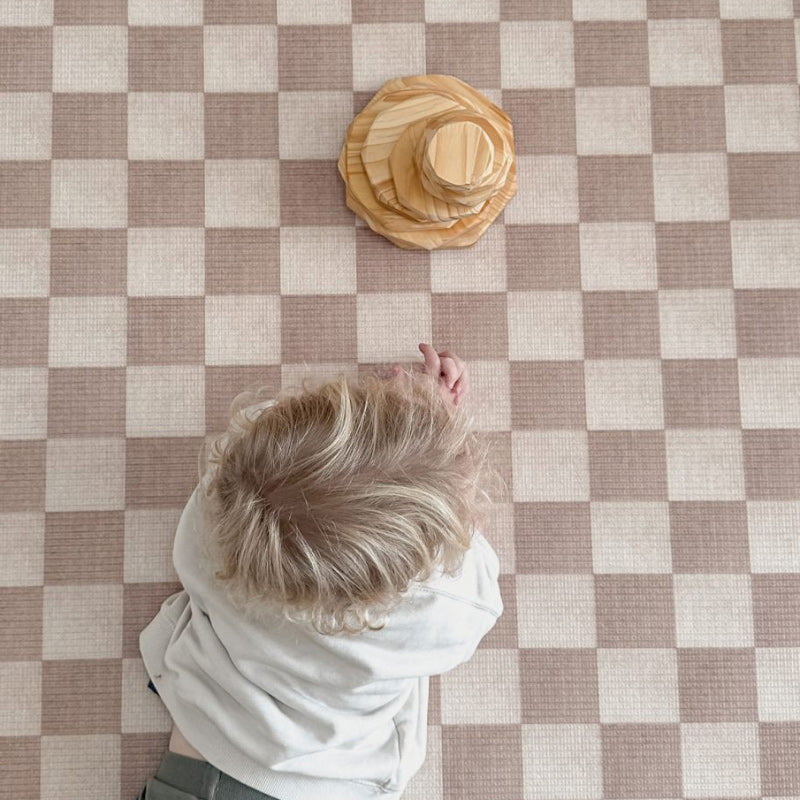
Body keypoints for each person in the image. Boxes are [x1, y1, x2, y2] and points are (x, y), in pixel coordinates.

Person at [137, 343, 505, 800]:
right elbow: (481, 590)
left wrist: (391, 427)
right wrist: (426, 421)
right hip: (322, 782)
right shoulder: (439, 607)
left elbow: (271, 435)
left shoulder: (220, 504)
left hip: (199, 758)